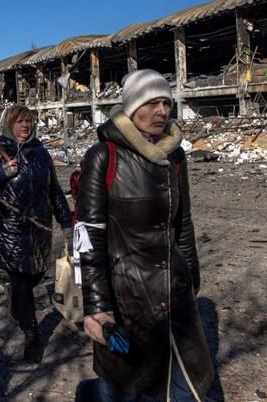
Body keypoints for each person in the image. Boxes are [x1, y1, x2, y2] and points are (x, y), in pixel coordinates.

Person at [74, 69, 214, 401]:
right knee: (125, 386)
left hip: (173, 292)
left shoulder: (175, 156)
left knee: (185, 387)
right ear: (132, 107)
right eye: (152, 103)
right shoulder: (104, 157)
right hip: (127, 298)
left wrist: (191, 280)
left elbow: (182, 223)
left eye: (166, 103)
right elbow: (89, 236)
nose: (162, 111)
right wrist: (96, 307)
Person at [0, 104, 72, 363]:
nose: (25, 125)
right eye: (19, 121)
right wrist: (1, 173)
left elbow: (55, 191)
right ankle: (32, 333)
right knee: (22, 280)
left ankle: (16, 299)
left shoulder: (40, 152)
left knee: (36, 274)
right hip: (8, 229)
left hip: (39, 229)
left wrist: (66, 223)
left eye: (28, 121)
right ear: (9, 124)